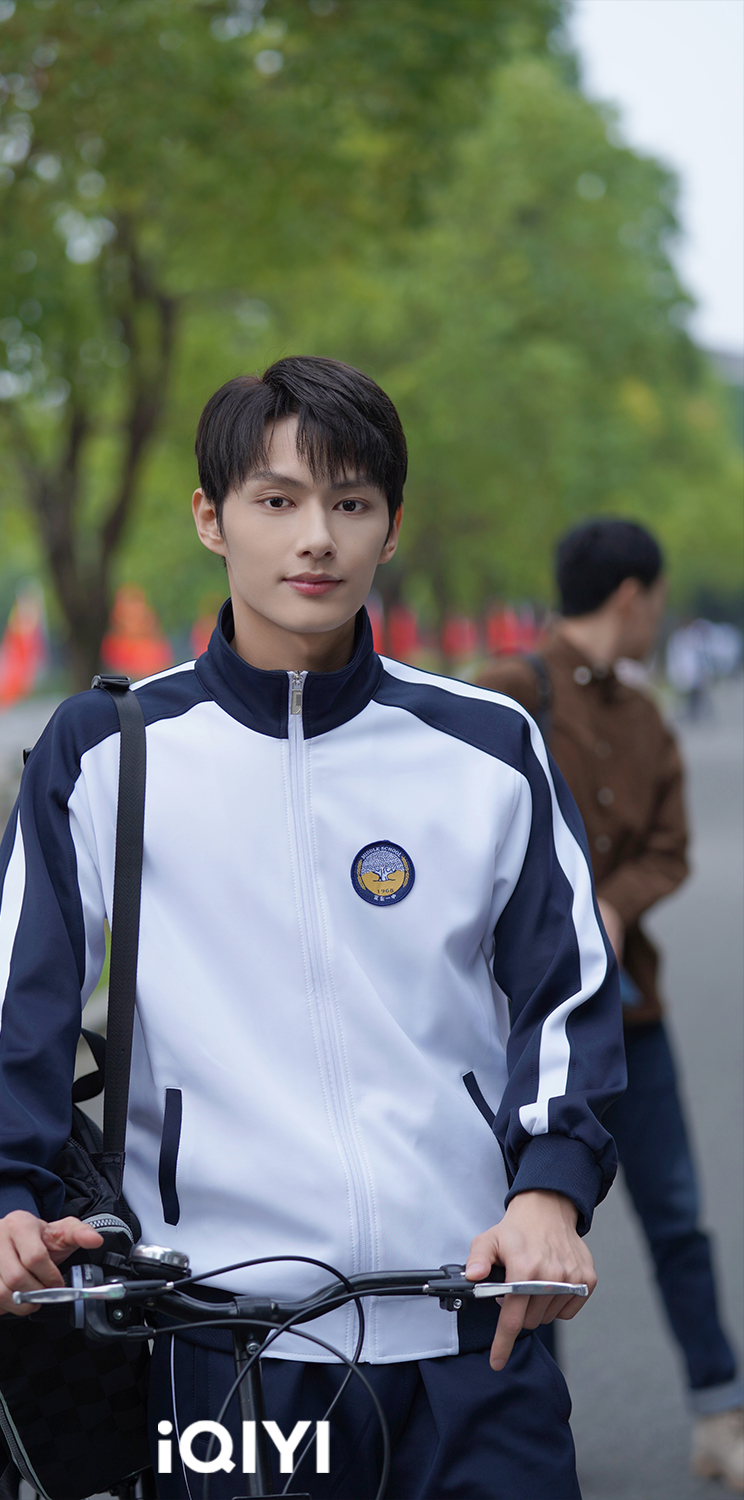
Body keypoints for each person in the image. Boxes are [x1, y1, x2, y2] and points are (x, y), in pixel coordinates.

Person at [0, 358, 626, 1498]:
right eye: (276, 500)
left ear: (391, 528)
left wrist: (548, 1188)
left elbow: (568, 995)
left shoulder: (487, 747)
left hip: (472, 1319)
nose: (317, 538)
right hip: (222, 1339)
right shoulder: (109, 751)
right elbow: (16, 1000)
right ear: (211, 519)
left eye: (351, 503)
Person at [477, 518, 744, 1495]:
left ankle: (721, 1416)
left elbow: (668, 847)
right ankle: (530, 1434)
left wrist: (614, 905)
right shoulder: (503, 695)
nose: (656, 617)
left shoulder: (644, 718)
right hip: (522, 1033)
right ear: (631, 596)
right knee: (527, 1231)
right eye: (656, 601)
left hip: (634, 1019)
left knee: (676, 1220)